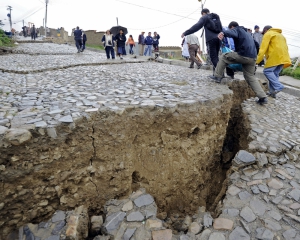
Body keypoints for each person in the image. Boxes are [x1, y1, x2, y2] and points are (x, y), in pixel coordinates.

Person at [210, 21, 268, 105]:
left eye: (231, 29)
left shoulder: (237, 29)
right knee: (250, 76)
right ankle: (263, 97)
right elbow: (257, 45)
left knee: (224, 56)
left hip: (243, 55)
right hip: (252, 58)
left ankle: (217, 76)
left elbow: (232, 32)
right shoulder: (248, 33)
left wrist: (223, 33)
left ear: (232, 27)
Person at [181, 8, 223, 76]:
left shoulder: (205, 17)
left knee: (213, 58)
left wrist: (186, 33)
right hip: (219, 39)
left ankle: (220, 75)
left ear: (203, 13)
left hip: (211, 39)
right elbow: (221, 28)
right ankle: (215, 74)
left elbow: (197, 26)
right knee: (216, 57)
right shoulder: (216, 17)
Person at [256, 25, 291, 98]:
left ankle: (279, 86)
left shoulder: (268, 34)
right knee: (275, 75)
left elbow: (263, 49)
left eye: (263, 32)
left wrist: (257, 60)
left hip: (275, 56)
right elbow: (286, 47)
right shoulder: (281, 35)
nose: (263, 34)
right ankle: (273, 92)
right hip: (284, 57)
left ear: (265, 30)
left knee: (267, 71)